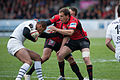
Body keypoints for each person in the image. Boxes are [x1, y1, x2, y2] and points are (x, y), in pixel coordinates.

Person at [24, 7, 84, 80]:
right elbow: (47, 22)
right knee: (45, 57)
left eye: (73, 15)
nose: (71, 16)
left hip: (61, 42)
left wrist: (62, 48)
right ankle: (28, 74)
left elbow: (67, 36)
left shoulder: (73, 23)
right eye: (70, 14)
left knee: (70, 59)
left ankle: (79, 78)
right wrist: (39, 22)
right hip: (52, 39)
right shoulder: (57, 17)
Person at [48, 8, 93, 80]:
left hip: (82, 41)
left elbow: (70, 32)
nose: (60, 18)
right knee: (60, 55)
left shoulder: (73, 20)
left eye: (61, 16)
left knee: (86, 58)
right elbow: (66, 36)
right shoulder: (63, 22)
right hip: (73, 41)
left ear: (67, 16)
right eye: (59, 16)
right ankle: (62, 77)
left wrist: (56, 29)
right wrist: (61, 48)